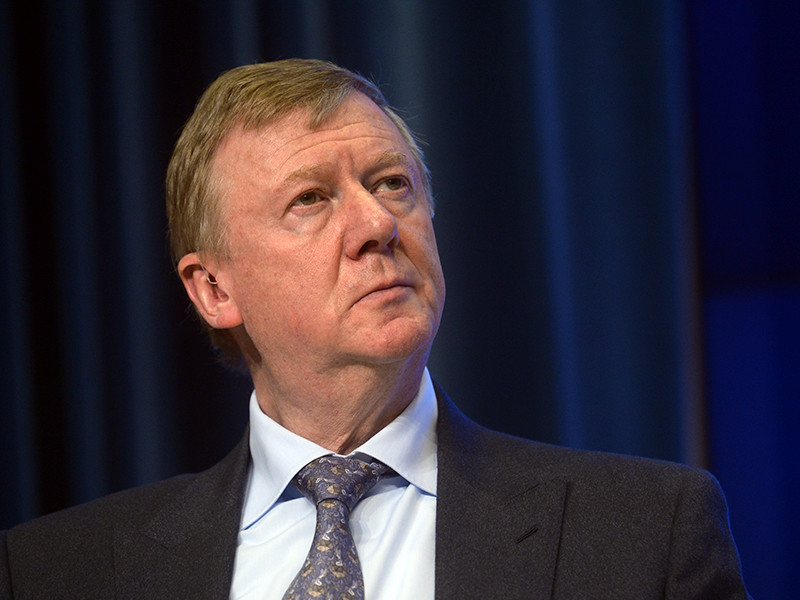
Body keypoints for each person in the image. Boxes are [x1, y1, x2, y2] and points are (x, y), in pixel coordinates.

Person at [0, 59, 750, 599]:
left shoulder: (644, 535)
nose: (377, 224)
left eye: (392, 184)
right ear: (215, 289)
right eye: (310, 199)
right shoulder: (57, 573)